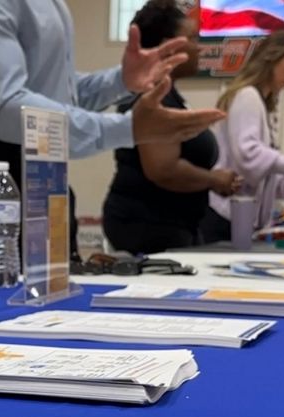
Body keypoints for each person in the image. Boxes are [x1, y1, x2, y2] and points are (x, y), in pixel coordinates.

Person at [0, 0, 225, 258]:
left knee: (52, 299)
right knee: (1, 295)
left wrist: (120, 81)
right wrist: (126, 129)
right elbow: (5, 108)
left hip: (46, 180)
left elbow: (58, 94)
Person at [102, 0, 241, 254]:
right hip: (149, 227)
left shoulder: (169, 95)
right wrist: (213, 180)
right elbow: (163, 169)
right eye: (193, 38)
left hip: (176, 223)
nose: (199, 48)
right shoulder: (153, 97)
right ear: (169, 47)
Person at [200, 32, 284, 243]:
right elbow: (248, 154)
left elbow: (267, 179)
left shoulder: (262, 105)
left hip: (241, 218)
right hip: (225, 216)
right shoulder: (247, 96)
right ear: (271, 60)